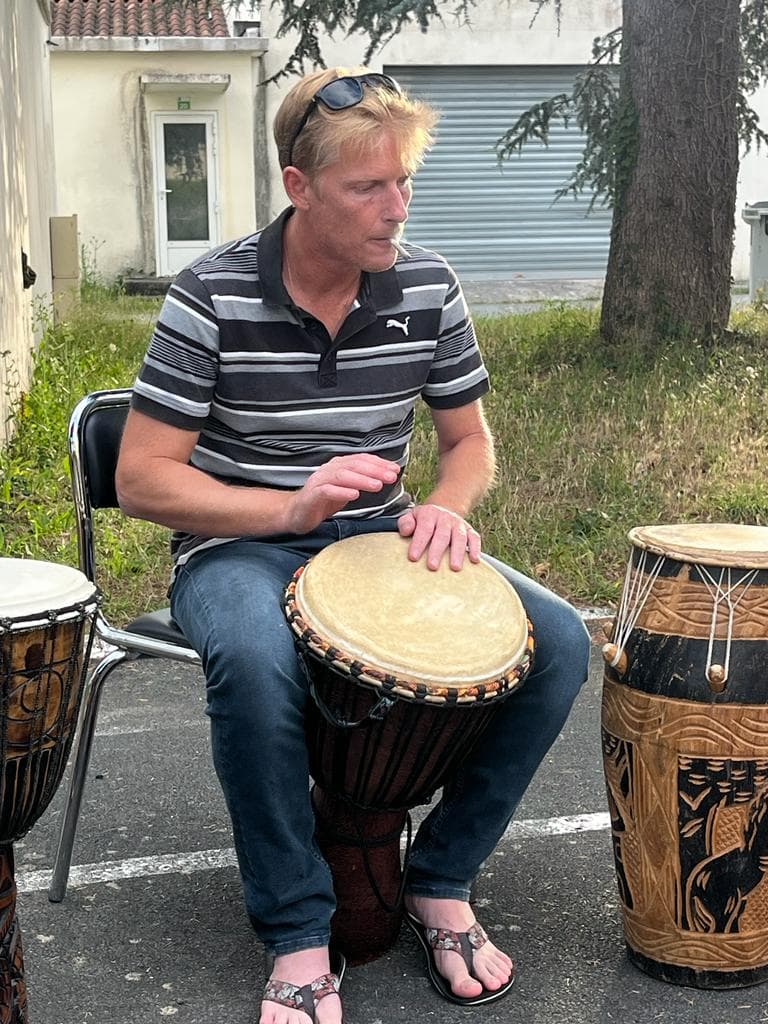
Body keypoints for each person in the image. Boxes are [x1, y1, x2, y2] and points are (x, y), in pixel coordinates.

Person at [116, 66, 591, 1024]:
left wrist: (450, 506)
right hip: (238, 548)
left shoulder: (426, 285)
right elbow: (142, 479)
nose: (395, 207)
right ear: (299, 186)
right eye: (366, 187)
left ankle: (441, 874)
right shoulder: (209, 295)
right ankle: (298, 933)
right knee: (253, 661)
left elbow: (468, 443)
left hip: (380, 538)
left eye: (404, 181)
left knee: (564, 642)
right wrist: (289, 509)